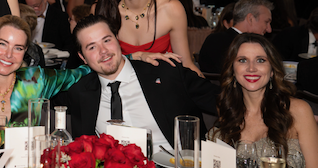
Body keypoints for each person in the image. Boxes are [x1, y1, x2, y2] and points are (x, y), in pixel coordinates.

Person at [58, 15, 219, 154]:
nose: (103, 51)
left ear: (117, 39)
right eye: (92, 47)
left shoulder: (166, 73)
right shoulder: (80, 92)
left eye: (107, 40)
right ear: (83, 57)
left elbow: (223, 101)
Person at [0, 15, 91, 152]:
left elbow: (79, 73)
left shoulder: (35, 80)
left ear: (25, 51)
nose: (8, 54)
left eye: (18, 48)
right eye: (3, 44)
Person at [209, 34, 318, 168]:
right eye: (242, 60)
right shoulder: (227, 109)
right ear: (233, 70)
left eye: (260, 60)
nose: (251, 68)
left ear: (272, 70)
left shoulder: (298, 111)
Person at [198, 0, 273, 74]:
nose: (269, 29)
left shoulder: (212, 39)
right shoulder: (247, 46)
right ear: (250, 19)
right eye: (266, 22)